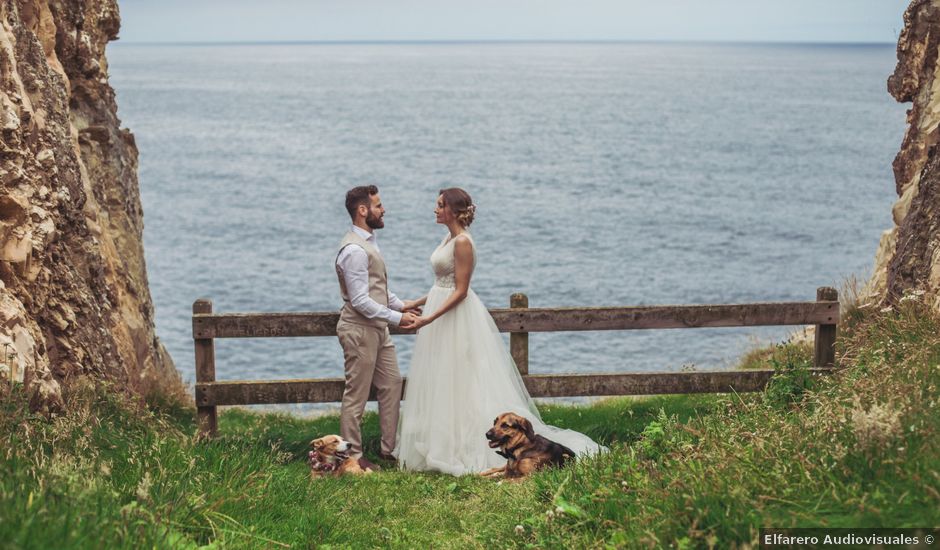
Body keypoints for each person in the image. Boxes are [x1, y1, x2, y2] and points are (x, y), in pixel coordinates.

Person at [394, 188, 605, 475]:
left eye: (440, 205)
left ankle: (469, 446)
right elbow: (442, 283)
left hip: (455, 317)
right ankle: (443, 440)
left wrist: (428, 318)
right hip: (440, 311)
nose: (435, 209)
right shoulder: (449, 237)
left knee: (464, 381)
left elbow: (461, 291)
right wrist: (416, 302)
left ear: (454, 211)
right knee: (444, 378)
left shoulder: (464, 242)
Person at [335, 185, 420, 469]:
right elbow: (359, 300)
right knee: (356, 396)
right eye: (378, 205)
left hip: (377, 328)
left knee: (392, 383)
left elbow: (377, 289)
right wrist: (397, 318)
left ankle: (389, 449)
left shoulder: (368, 243)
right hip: (359, 330)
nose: (383, 210)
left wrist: (401, 305)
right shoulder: (354, 251)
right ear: (363, 211)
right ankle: (353, 457)